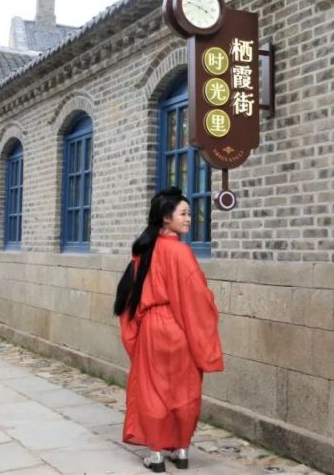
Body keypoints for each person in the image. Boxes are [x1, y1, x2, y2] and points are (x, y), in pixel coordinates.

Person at [114, 187, 224, 473]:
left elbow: (129, 295)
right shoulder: (181, 252)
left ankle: (156, 456)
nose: (189, 219)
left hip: (152, 328)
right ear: (166, 218)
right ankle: (182, 450)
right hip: (180, 327)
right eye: (183, 214)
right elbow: (197, 298)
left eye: (189, 213)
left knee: (153, 390)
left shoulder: (145, 251)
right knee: (185, 390)